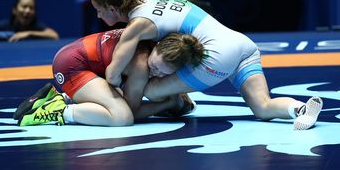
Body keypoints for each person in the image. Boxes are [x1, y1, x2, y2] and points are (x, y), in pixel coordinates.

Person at [88, 0, 324, 130]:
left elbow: (113, 73)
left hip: (216, 55)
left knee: (146, 89)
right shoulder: (151, 0)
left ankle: (176, 101)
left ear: (112, 7)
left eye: (99, 11)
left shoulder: (137, 24)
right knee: (262, 108)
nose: (99, 16)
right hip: (242, 43)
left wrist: (106, 94)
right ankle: (301, 109)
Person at [16, 29, 205, 126]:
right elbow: (133, 112)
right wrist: (167, 104)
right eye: (155, 66)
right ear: (156, 47)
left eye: (164, 73)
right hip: (71, 68)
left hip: (75, 54)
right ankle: (58, 109)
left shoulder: (150, 36)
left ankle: (61, 96)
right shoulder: (141, 65)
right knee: (121, 117)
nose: (156, 73)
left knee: (121, 93)